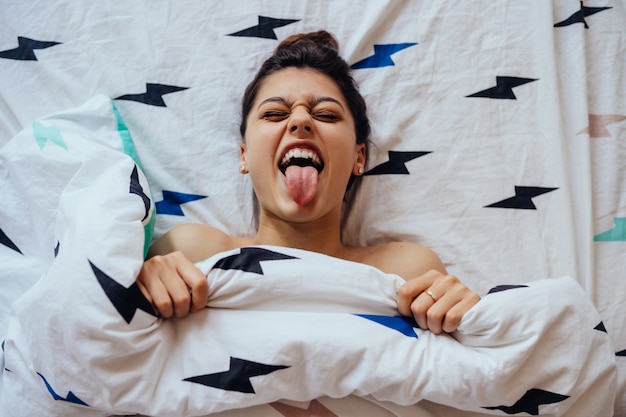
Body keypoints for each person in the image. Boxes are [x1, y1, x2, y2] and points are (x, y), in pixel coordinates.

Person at [137, 30, 480, 335]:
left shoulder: (409, 270)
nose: (300, 120)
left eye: (326, 115)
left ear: (359, 158)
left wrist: (469, 316)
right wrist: (138, 282)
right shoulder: (191, 251)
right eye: (274, 114)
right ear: (244, 155)